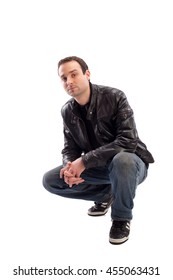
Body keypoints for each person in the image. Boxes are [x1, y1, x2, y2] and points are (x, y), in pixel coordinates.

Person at [43, 56, 154, 245]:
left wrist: (84, 162)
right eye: (63, 78)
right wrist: (69, 166)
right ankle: (105, 195)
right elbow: (70, 147)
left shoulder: (114, 96)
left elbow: (127, 141)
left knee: (122, 161)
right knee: (52, 180)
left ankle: (121, 219)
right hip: (100, 168)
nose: (69, 81)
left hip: (131, 164)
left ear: (87, 74)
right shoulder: (67, 110)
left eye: (74, 74)